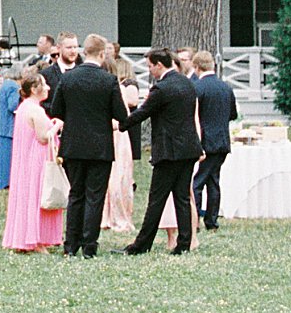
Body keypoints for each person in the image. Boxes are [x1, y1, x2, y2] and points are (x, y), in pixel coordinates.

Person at [46, 32, 129, 257]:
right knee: (95, 196)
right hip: (100, 146)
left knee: (76, 195)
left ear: (84, 52)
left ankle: (71, 244)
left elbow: (56, 110)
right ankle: (89, 245)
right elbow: (121, 114)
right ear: (102, 54)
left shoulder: (68, 78)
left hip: (73, 145)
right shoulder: (108, 80)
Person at [123, 48, 201, 255]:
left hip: (168, 150)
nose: (149, 70)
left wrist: (120, 125)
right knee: (182, 197)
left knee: (157, 199)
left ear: (159, 65)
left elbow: (143, 113)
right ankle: (184, 243)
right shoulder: (187, 83)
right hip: (188, 148)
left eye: (150, 65)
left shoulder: (161, 89)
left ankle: (141, 244)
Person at [1, 67, 63, 253]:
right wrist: (57, 125)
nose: (49, 88)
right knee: (38, 196)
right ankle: (36, 239)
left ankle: (25, 237)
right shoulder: (35, 110)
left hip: (24, 158)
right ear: (35, 89)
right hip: (36, 158)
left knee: (26, 196)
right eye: (44, 85)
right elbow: (43, 137)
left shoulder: (23, 108)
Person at [191, 49, 238, 228]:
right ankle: (211, 219)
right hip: (223, 140)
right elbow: (233, 114)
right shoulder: (226, 87)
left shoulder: (198, 88)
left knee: (198, 182)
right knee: (213, 180)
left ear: (196, 67)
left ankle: (194, 219)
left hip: (205, 141)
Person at [102, 50, 142, 234]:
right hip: (113, 135)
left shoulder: (119, 89)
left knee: (117, 176)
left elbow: (122, 116)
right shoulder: (115, 87)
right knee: (112, 175)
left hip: (116, 134)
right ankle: (106, 215)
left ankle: (116, 215)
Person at [0, 66, 21, 190]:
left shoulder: (5, 85)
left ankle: (1, 180)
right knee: (8, 156)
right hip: (9, 126)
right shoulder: (13, 87)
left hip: (2, 125)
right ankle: (6, 182)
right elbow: (12, 105)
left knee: (2, 157)